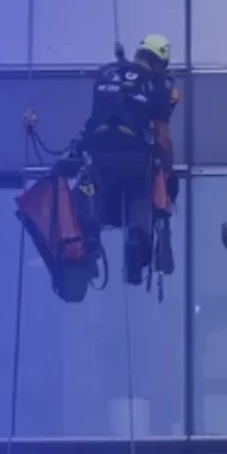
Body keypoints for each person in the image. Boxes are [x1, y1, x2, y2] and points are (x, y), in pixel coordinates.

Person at [82, 34, 179, 285]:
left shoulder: (105, 73)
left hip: (99, 153)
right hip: (134, 155)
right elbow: (162, 137)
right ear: (158, 61)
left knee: (96, 190)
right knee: (139, 193)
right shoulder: (156, 84)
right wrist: (169, 171)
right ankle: (137, 242)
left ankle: (89, 238)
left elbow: (95, 114)